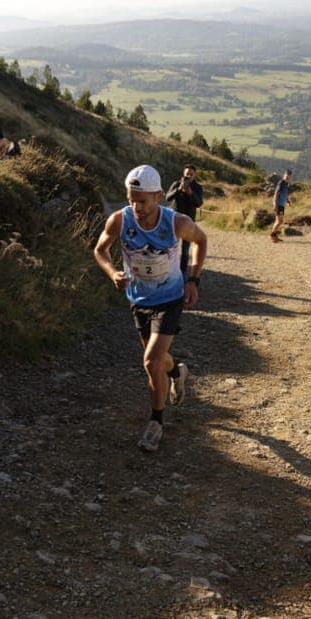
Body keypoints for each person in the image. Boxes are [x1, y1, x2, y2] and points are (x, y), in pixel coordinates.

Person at [93, 165, 208, 453]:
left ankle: (156, 422)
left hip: (170, 299)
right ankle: (177, 373)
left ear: (158, 196)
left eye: (142, 200)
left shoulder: (176, 222)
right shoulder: (119, 221)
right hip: (139, 300)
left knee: (149, 361)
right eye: (131, 199)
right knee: (158, 360)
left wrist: (193, 279)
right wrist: (112, 273)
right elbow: (100, 250)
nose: (136, 206)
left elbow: (200, 240)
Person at [165, 164, 204, 276]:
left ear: (195, 175)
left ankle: (182, 273)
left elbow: (199, 203)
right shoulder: (176, 184)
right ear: (183, 173)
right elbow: (168, 197)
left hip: (188, 222)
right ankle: (170, 270)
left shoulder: (197, 187)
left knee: (185, 249)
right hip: (174, 220)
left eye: (191, 174)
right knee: (171, 247)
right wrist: (179, 189)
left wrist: (190, 193)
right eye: (187, 174)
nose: (189, 176)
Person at [269, 169, 293, 243]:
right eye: (287, 174)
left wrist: (288, 201)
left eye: (289, 175)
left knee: (279, 221)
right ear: (284, 174)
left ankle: (274, 236)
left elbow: (285, 194)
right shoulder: (281, 182)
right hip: (278, 204)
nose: (288, 176)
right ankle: (272, 235)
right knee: (279, 221)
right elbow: (276, 194)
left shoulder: (286, 184)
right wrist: (275, 205)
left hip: (282, 205)